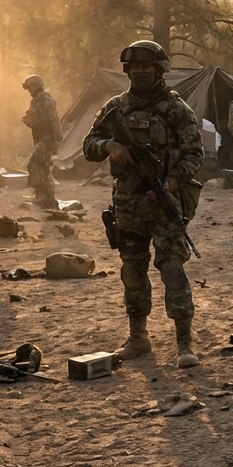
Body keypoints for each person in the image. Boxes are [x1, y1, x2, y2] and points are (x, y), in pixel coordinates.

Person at [82, 40, 204, 368]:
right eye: (134, 68)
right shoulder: (115, 108)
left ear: (159, 70)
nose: (139, 73)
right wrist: (109, 146)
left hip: (163, 204)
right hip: (128, 205)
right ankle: (138, 338)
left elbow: (195, 155)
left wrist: (171, 182)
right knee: (132, 272)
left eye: (146, 68)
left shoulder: (177, 109)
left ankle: (184, 343)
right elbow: (88, 145)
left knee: (172, 270)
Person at [21, 74, 62, 210]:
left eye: (30, 88)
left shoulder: (46, 100)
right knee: (42, 168)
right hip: (41, 138)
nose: (29, 91)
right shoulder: (36, 101)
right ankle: (44, 197)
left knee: (34, 164)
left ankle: (45, 197)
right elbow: (38, 120)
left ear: (36, 85)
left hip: (47, 139)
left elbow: (54, 119)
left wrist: (56, 139)